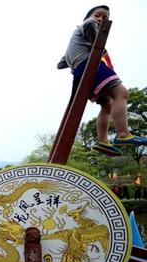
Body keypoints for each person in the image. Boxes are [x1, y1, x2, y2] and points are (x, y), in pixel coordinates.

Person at [57, 5, 147, 156]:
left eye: (105, 18)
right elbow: (91, 25)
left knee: (107, 104)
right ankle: (123, 134)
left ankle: (103, 141)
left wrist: (71, 59)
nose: (101, 19)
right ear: (88, 17)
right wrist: (97, 36)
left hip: (80, 71)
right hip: (90, 64)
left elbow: (61, 63)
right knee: (121, 93)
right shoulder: (88, 24)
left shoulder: (77, 36)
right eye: (98, 15)